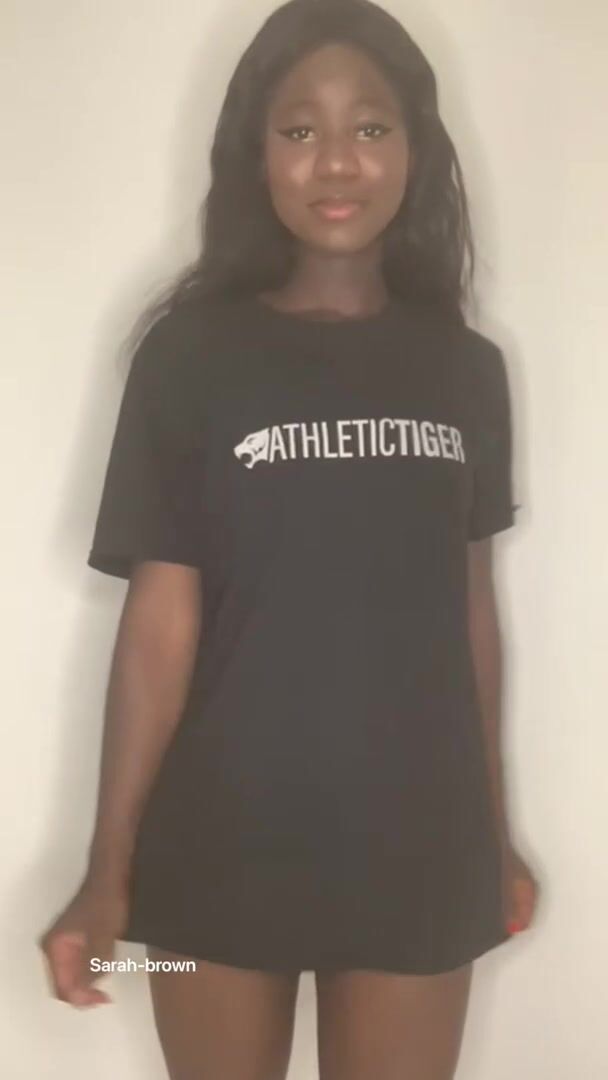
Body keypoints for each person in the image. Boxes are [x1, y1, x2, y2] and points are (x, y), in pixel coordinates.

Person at [38, 1, 540, 1076]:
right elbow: (159, 627)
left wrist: (494, 836)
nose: (336, 161)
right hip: (219, 847)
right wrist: (107, 871)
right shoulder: (189, 357)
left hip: (421, 845)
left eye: (370, 126)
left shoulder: (465, 370)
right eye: (299, 128)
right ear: (254, 154)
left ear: (415, 147)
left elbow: (469, 613)